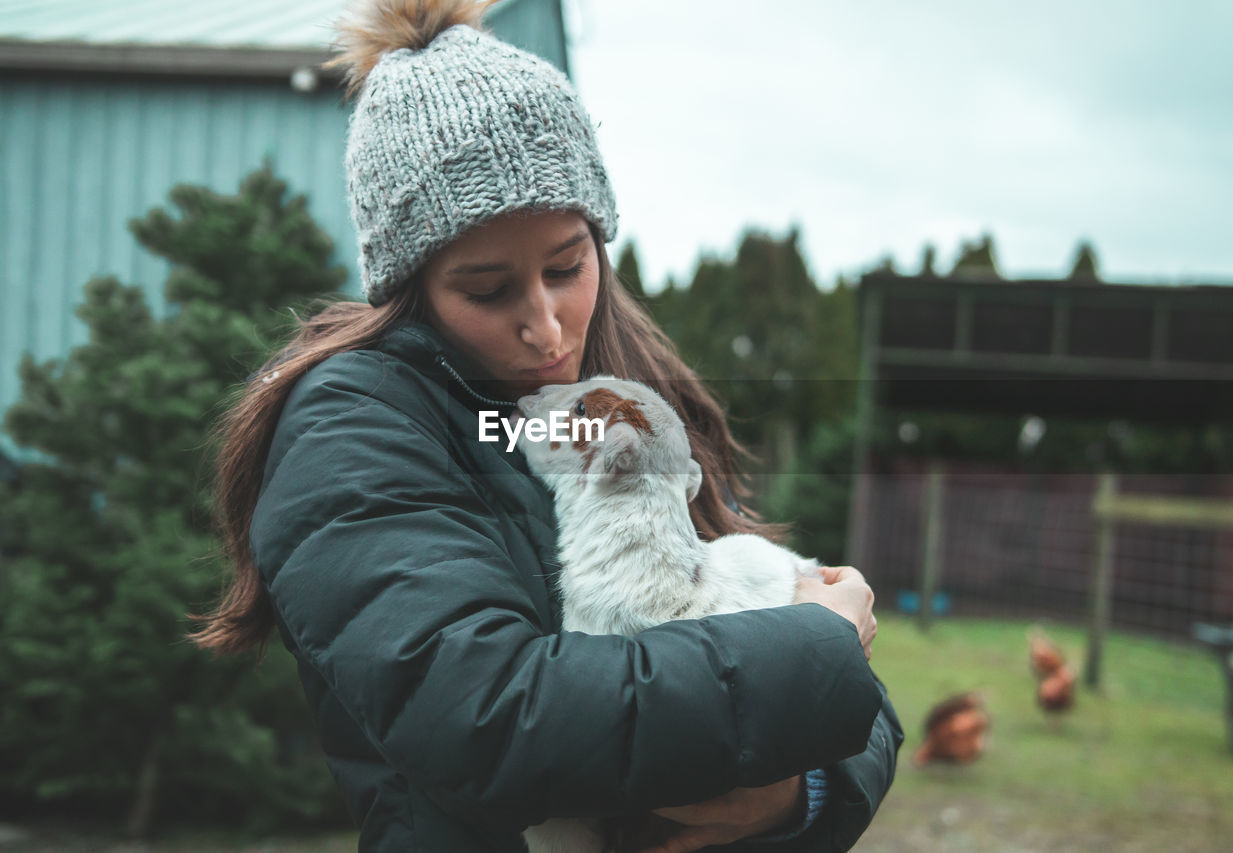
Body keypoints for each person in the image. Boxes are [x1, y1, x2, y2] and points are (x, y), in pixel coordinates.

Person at [192, 1, 902, 850]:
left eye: (568, 266)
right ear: (411, 284)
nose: (548, 326)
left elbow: (834, 686)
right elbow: (484, 715)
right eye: (487, 290)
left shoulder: (633, 402)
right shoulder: (357, 426)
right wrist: (816, 648)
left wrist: (805, 789)